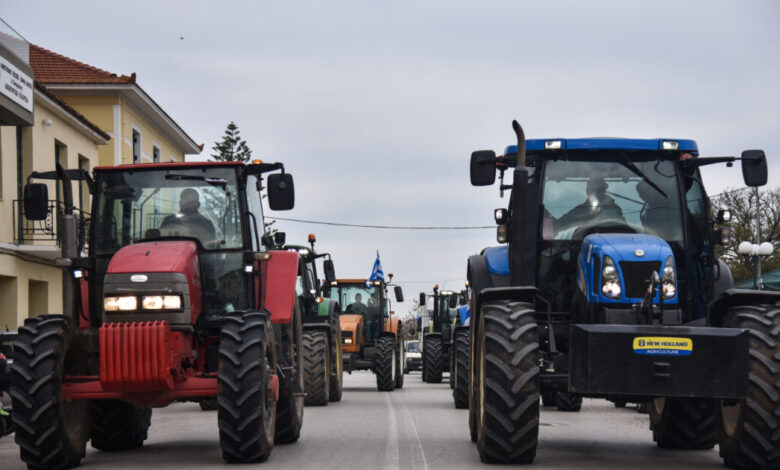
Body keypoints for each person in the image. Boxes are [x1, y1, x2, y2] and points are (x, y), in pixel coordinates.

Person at [555, 177, 625, 235]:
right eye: (593, 190)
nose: (596, 193)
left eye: (599, 190)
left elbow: (623, 231)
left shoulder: (614, 210)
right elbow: (559, 225)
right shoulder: (580, 210)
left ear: (604, 190)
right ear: (587, 191)